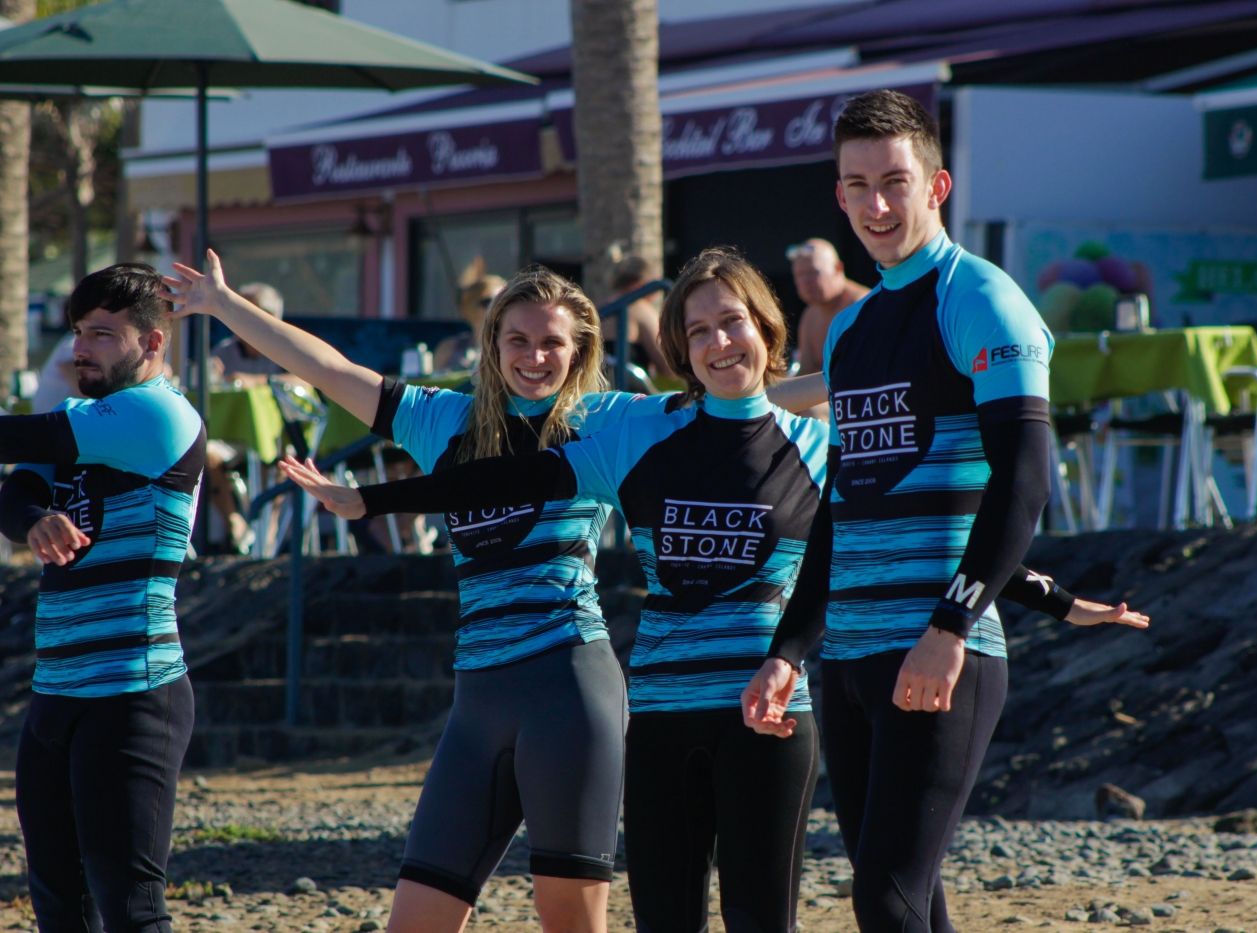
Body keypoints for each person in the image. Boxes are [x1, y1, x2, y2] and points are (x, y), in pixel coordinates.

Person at [277, 249, 1134, 933]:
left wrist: (1052, 598)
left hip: (766, 716)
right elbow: (508, 476)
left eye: (734, 323)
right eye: (699, 331)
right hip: (657, 715)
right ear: (680, 351)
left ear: (766, 328)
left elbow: (918, 535)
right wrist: (372, 500)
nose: (721, 342)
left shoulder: (816, 447)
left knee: (763, 920)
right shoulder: (642, 436)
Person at [159, 250, 830, 933]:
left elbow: (738, 406)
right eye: (518, 339)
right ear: (492, 345)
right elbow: (330, 371)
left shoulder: (602, 420)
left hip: (570, 684)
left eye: (553, 343)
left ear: (580, 351)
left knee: (569, 918)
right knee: (415, 921)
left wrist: (854, 378)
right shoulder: (440, 421)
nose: (535, 357)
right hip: (478, 697)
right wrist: (224, 305)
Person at [741, 89, 1146, 933]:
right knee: (911, 899)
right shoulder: (850, 330)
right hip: (850, 657)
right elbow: (844, 511)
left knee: (885, 898)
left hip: (937, 650)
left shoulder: (982, 300)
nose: (877, 204)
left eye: (895, 181)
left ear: (937, 185)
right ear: (839, 194)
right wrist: (790, 647)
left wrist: (951, 626)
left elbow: (1022, 484)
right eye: (858, 185)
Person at [0, 263, 203, 933]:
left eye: (102, 334)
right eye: (78, 331)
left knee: (131, 910)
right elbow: (17, 489)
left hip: (133, 694)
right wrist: (34, 519)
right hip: (56, 692)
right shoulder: (81, 417)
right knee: (60, 908)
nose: (80, 349)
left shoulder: (159, 414)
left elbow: (19, 439)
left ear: (152, 342)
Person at [788, 238, 869, 376]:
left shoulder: (863, 306)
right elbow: (805, 372)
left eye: (813, 272)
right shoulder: (810, 315)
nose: (805, 281)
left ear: (838, 269)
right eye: (800, 275)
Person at [602, 255, 674, 380]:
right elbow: (670, 366)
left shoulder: (598, 307)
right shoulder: (639, 309)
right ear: (642, 286)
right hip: (627, 389)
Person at [433, 259, 507, 374]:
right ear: (469, 307)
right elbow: (433, 382)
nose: (496, 307)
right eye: (488, 302)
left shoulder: (511, 348)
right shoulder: (449, 348)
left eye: (503, 302)